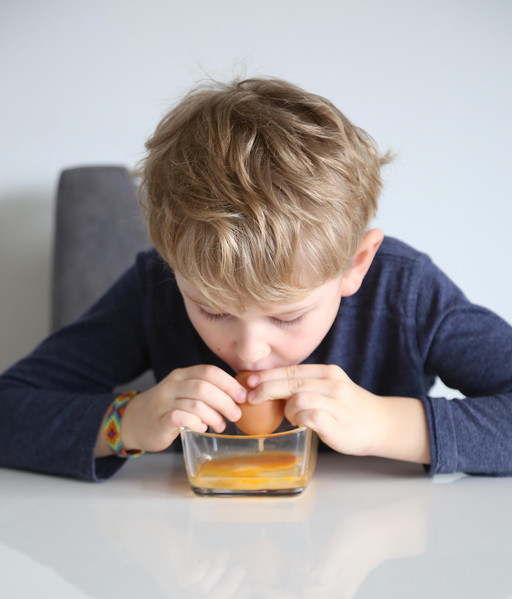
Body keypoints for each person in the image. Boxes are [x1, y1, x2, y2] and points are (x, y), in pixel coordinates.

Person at [0, 77, 511, 481]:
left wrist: (384, 424)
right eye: (212, 310)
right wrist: (127, 423)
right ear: (173, 265)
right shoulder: (154, 291)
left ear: (355, 265)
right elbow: (10, 409)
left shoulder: (405, 292)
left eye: (287, 316)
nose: (248, 351)